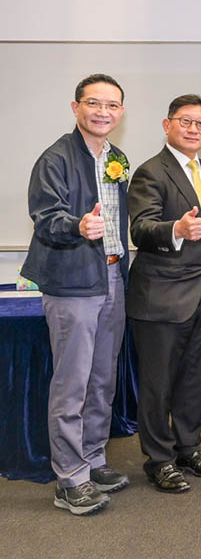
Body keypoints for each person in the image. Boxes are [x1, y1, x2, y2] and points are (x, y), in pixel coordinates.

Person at [22, 74, 131, 515]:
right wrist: (78, 225)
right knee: (72, 382)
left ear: (121, 112)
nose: (103, 111)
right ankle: (69, 479)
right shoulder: (55, 158)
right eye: (93, 103)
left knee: (102, 378)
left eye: (111, 105)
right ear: (76, 107)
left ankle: (93, 459)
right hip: (72, 282)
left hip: (112, 276)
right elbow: (46, 217)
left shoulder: (117, 158)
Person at [127, 94, 201, 493]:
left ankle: (189, 448)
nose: (193, 129)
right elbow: (141, 228)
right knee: (158, 384)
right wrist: (176, 230)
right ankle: (159, 459)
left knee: (194, 379)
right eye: (185, 121)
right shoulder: (151, 172)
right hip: (161, 296)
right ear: (167, 125)